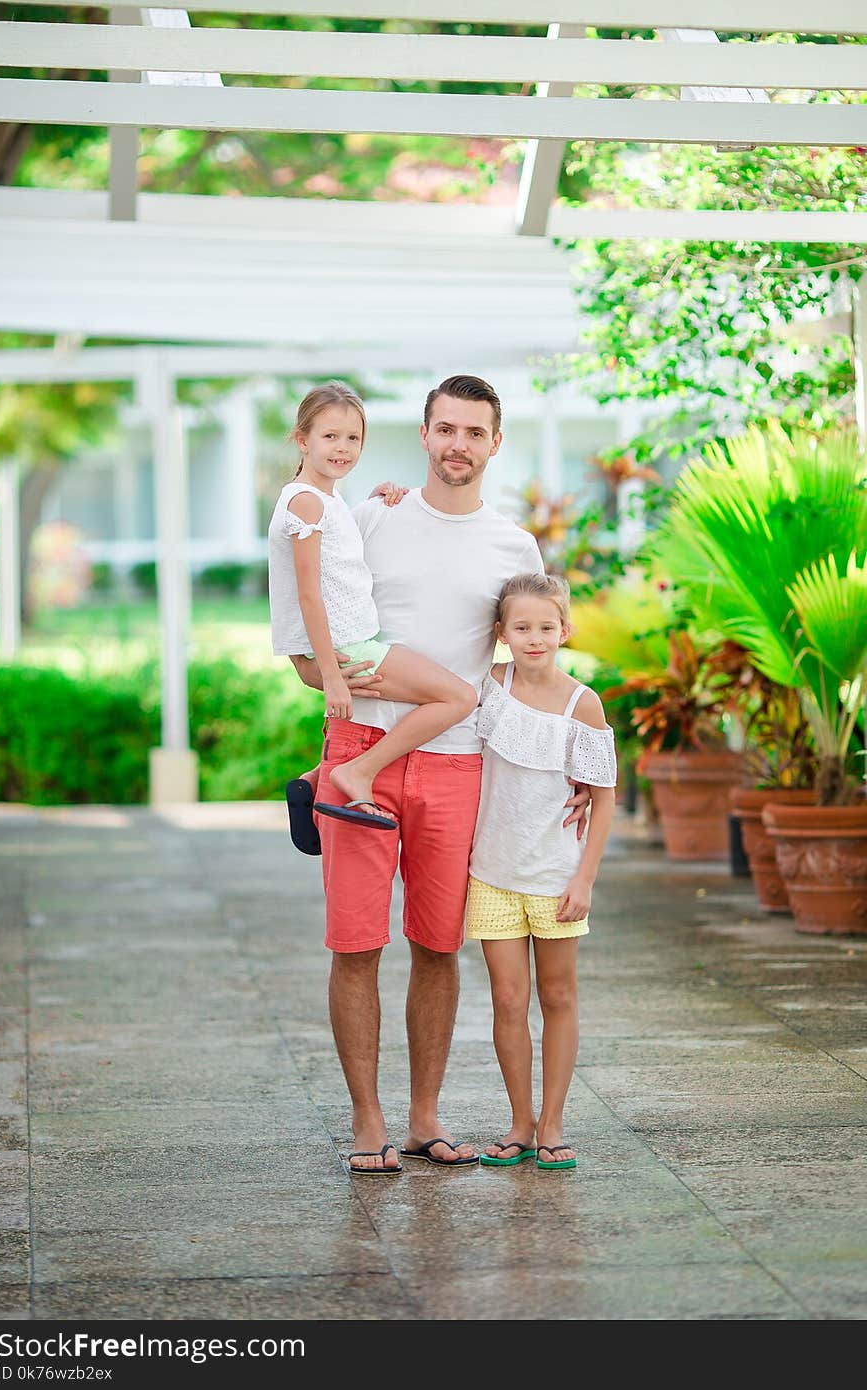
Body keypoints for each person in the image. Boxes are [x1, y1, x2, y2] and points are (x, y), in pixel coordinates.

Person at [287, 374, 592, 1175]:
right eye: (445, 428)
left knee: (437, 945)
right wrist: (339, 684)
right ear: (423, 434)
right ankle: (366, 1120)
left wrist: (571, 774)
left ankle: (423, 1119)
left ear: (496, 444)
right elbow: (313, 636)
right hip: (359, 752)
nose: (459, 444)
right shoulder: (371, 516)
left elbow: (528, 665)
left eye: (475, 432)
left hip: (460, 767)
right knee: (355, 944)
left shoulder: (514, 548)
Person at [268, 382, 477, 832]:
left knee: (437, 699)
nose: (342, 448)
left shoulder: (322, 498)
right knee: (460, 696)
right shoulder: (305, 503)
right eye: (330, 437)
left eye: (353, 438)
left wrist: (371, 502)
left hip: (350, 642)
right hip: (349, 649)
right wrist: (330, 678)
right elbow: (309, 593)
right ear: (302, 439)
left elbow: (336, 560)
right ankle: (354, 772)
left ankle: (317, 779)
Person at [467, 573, 617, 1171]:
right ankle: (520, 1122)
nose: (535, 638)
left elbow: (602, 795)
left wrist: (584, 879)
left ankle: (554, 1122)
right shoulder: (490, 686)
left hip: (556, 874)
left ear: (565, 631)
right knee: (508, 999)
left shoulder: (584, 703)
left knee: (557, 995)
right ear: (501, 633)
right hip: (492, 872)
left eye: (546, 628)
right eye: (522, 628)